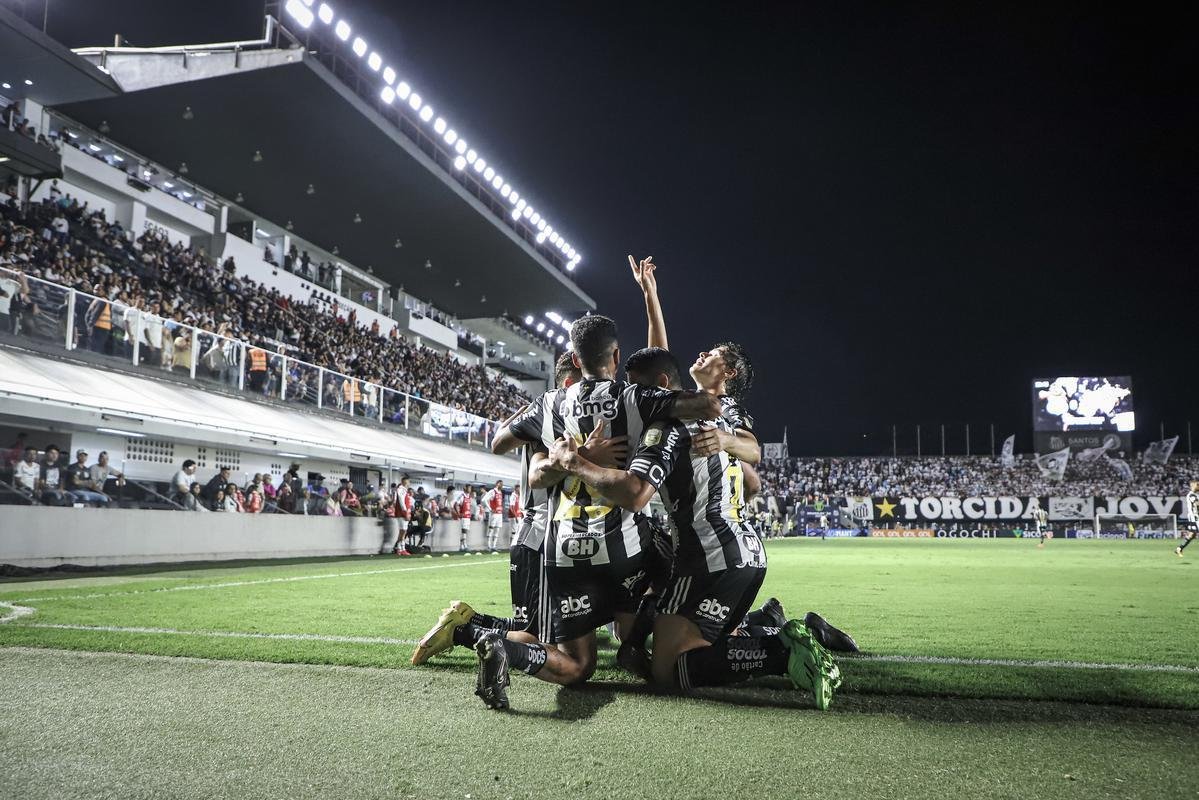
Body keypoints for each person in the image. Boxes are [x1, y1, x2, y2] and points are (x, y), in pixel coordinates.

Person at [463, 313, 719, 709]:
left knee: (579, 666)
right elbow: (707, 406)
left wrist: (571, 454)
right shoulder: (632, 397)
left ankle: (505, 649)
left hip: (565, 552)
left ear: (576, 360)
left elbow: (498, 443)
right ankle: (647, 642)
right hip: (623, 551)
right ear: (616, 356)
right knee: (677, 551)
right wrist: (676, 401)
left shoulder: (549, 403)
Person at [413, 355, 585, 665]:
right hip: (541, 535)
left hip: (533, 532)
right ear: (569, 384)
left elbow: (500, 441)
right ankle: (461, 632)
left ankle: (467, 619)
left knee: (530, 628)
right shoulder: (555, 424)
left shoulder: (544, 419)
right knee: (539, 641)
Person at [1176, 480, 1198, 557]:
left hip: (1194, 517)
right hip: (1195, 517)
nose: (1198, 486)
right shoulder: (1192, 495)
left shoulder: (1195, 495)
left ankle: (1179, 548)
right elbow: (1197, 505)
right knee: (1192, 534)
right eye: (1197, 484)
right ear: (1193, 486)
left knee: (1192, 534)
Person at [481, 480, 505, 552]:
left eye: (502, 484)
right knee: (491, 529)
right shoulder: (492, 491)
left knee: (497, 530)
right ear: (497, 484)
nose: (502, 485)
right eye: (500, 484)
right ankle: (488, 546)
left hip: (499, 514)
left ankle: (494, 546)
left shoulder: (500, 493)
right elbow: (484, 500)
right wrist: (490, 509)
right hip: (494, 514)